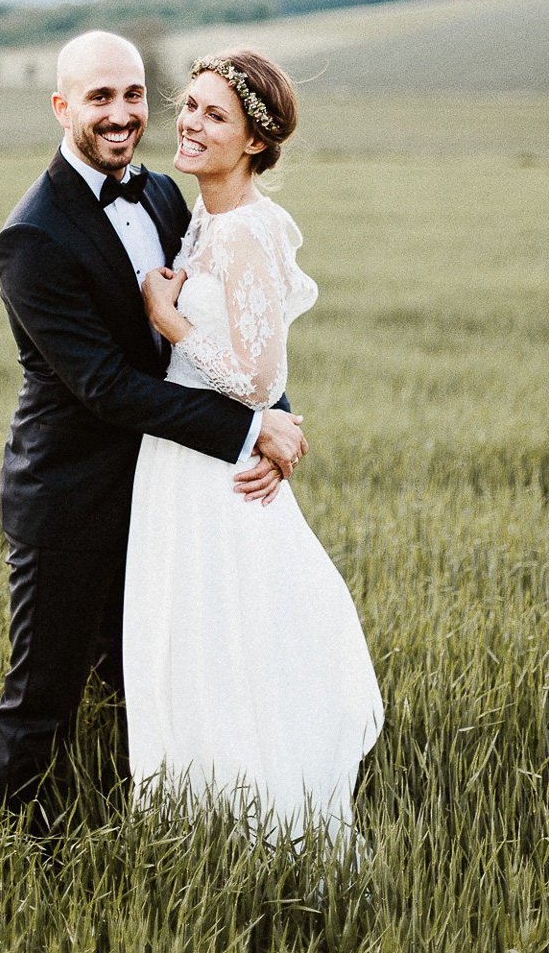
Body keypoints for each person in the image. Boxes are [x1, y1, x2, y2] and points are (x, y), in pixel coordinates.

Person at [0, 31, 307, 817]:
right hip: (69, 497)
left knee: (157, 674)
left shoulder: (166, 194)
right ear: (62, 107)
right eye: (100, 97)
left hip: (165, 492)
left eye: (134, 94)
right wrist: (248, 432)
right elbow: (106, 386)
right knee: (44, 693)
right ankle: (5, 854)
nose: (123, 113)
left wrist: (277, 413)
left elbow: (225, 338)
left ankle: (172, 820)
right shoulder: (32, 236)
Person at [123, 50, 383, 842]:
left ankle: (254, 823)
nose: (191, 125)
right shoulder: (201, 214)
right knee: (185, 638)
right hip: (177, 460)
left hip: (218, 470)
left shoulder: (247, 233)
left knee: (226, 639)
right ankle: (193, 818)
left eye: (215, 117)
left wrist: (171, 323)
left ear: (254, 144)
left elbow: (260, 378)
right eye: (191, 106)